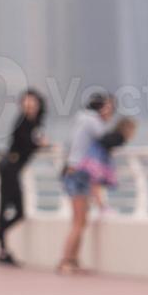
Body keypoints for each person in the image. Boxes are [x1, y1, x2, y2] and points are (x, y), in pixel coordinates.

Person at [0, 90, 47, 267]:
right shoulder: (23, 122)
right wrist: (42, 144)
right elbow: (27, 144)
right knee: (17, 212)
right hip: (10, 169)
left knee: (7, 211)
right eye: (26, 102)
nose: (30, 105)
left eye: (32, 102)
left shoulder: (35, 123)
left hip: (12, 169)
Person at [58, 92, 116, 275]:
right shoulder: (92, 120)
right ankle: (65, 261)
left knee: (81, 221)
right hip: (78, 174)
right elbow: (107, 139)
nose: (110, 111)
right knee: (78, 221)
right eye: (108, 107)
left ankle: (73, 261)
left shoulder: (82, 119)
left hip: (74, 172)